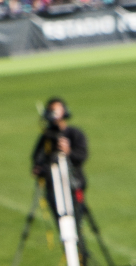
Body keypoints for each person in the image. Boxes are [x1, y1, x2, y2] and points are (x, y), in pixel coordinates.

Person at [31, 98, 89, 255]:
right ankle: (70, 255)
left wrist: (68, 151)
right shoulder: (46, 137)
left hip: (72, 187)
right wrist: (41, 168)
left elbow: (81, 156)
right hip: (53, 190)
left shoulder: (74, 133)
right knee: (63, 231)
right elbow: (37, 160)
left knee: (75, 229)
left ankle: (81, 257)